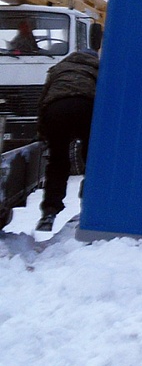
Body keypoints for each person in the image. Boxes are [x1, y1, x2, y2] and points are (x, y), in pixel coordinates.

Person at [35, 48, 100, 232]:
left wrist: (42, 131)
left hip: (56, 111)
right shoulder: (99, 69)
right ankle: (88, 205)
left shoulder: (59, 68)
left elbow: (43, 100)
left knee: (58, 162)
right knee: (92, 161)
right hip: (86, 108)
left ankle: (49, 212)